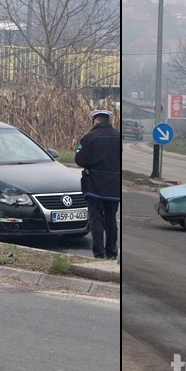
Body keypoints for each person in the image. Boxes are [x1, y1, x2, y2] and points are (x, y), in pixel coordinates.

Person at [75, 109, 121, 260]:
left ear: (95, 121)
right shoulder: (118, 137)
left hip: (94, 185)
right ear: (108, 120)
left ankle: (99, 253)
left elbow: (80, 160)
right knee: (111, 219)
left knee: (96, 219)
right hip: (114, 186)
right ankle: (112, 252)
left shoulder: (89, 138)